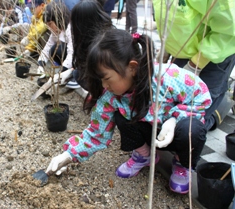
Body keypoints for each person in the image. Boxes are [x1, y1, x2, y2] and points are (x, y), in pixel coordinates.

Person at [45, 29, 212, 194]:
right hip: (149, 132)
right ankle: (145, 155)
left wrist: (176, 118)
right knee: (121, 117)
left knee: (193, 129)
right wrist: (68, 155)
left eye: (107, 79)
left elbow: (202, 95)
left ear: (132, 67)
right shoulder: (111, 97)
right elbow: (97, 133)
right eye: (101, 80)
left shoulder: (166, 77)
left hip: (176, 134)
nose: (104, 86)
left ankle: (182, 164)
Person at [153, 0, 235, 131]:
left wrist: (195, 64)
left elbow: (228, 30)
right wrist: (167, 48)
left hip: (215, 51)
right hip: (184, 51)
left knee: (195, 122)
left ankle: (220, 108)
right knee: (174, 105)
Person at [69, 0, 115, 90]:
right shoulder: (108, 35)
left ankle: (98, 94)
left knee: (77, 74)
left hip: (112, 86)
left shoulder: (95, 48)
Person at [35, 1, 73, 78]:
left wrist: (62, 71)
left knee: (59, 49)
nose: (49, 28)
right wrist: (41, 64)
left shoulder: (70, 29)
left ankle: (72, 74)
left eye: (50, 24)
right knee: (53, 50)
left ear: (58, 19)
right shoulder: (56, 31)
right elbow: (48, 46)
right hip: (70, 58)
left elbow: (71, 53)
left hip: (79, 59)